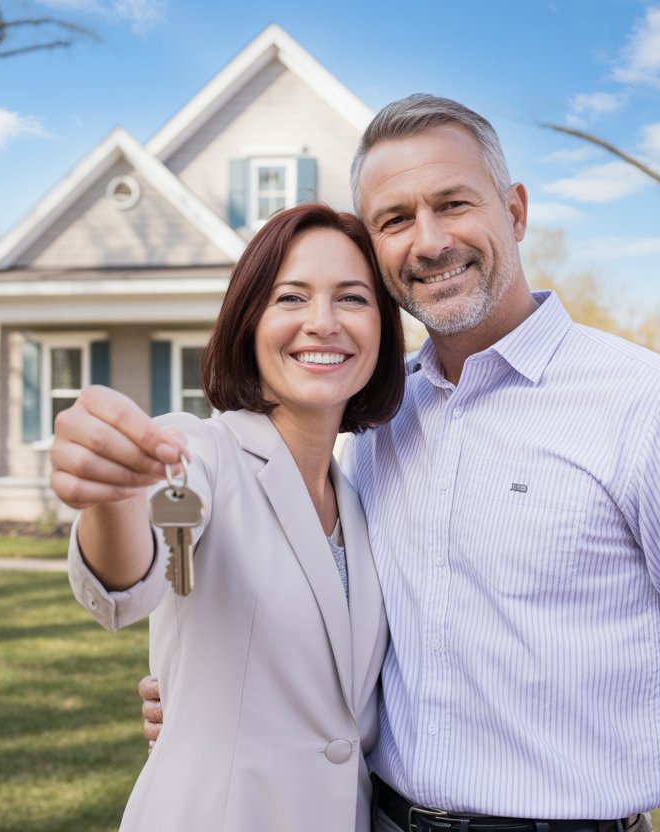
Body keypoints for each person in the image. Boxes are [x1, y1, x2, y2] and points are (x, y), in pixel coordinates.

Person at [141, 95, 660, 831]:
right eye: (395, 220)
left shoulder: (658, 411)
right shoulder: (375, 424)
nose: (429, 242)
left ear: (515, 211)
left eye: (453, 203)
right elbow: (337, 631)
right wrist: (212, 695)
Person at [52, 202, 407, 831]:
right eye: (291, 299)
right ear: (249, 322)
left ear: (383, 328)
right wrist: (113, 496)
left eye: (352, 299)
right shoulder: (199, 451)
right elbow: (131, 574)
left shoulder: (362, 492)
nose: (323, 323)